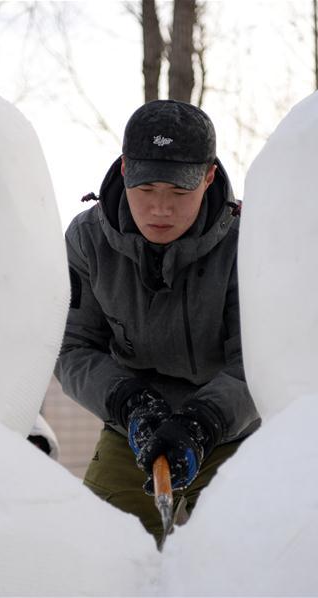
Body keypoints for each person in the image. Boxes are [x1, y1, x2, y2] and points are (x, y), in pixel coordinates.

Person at [54, 99, 260, 543]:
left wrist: (203, 421)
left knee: (243, 554)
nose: (160, 210)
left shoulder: (251, 243)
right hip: (131, 426)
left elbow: (259, 364)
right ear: (125, 169)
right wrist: (129, 405)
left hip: (232, 428)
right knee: (96, 550)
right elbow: (72, 348)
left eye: (179, 193)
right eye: (147, 191)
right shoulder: (86, 241)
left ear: (208, 177)